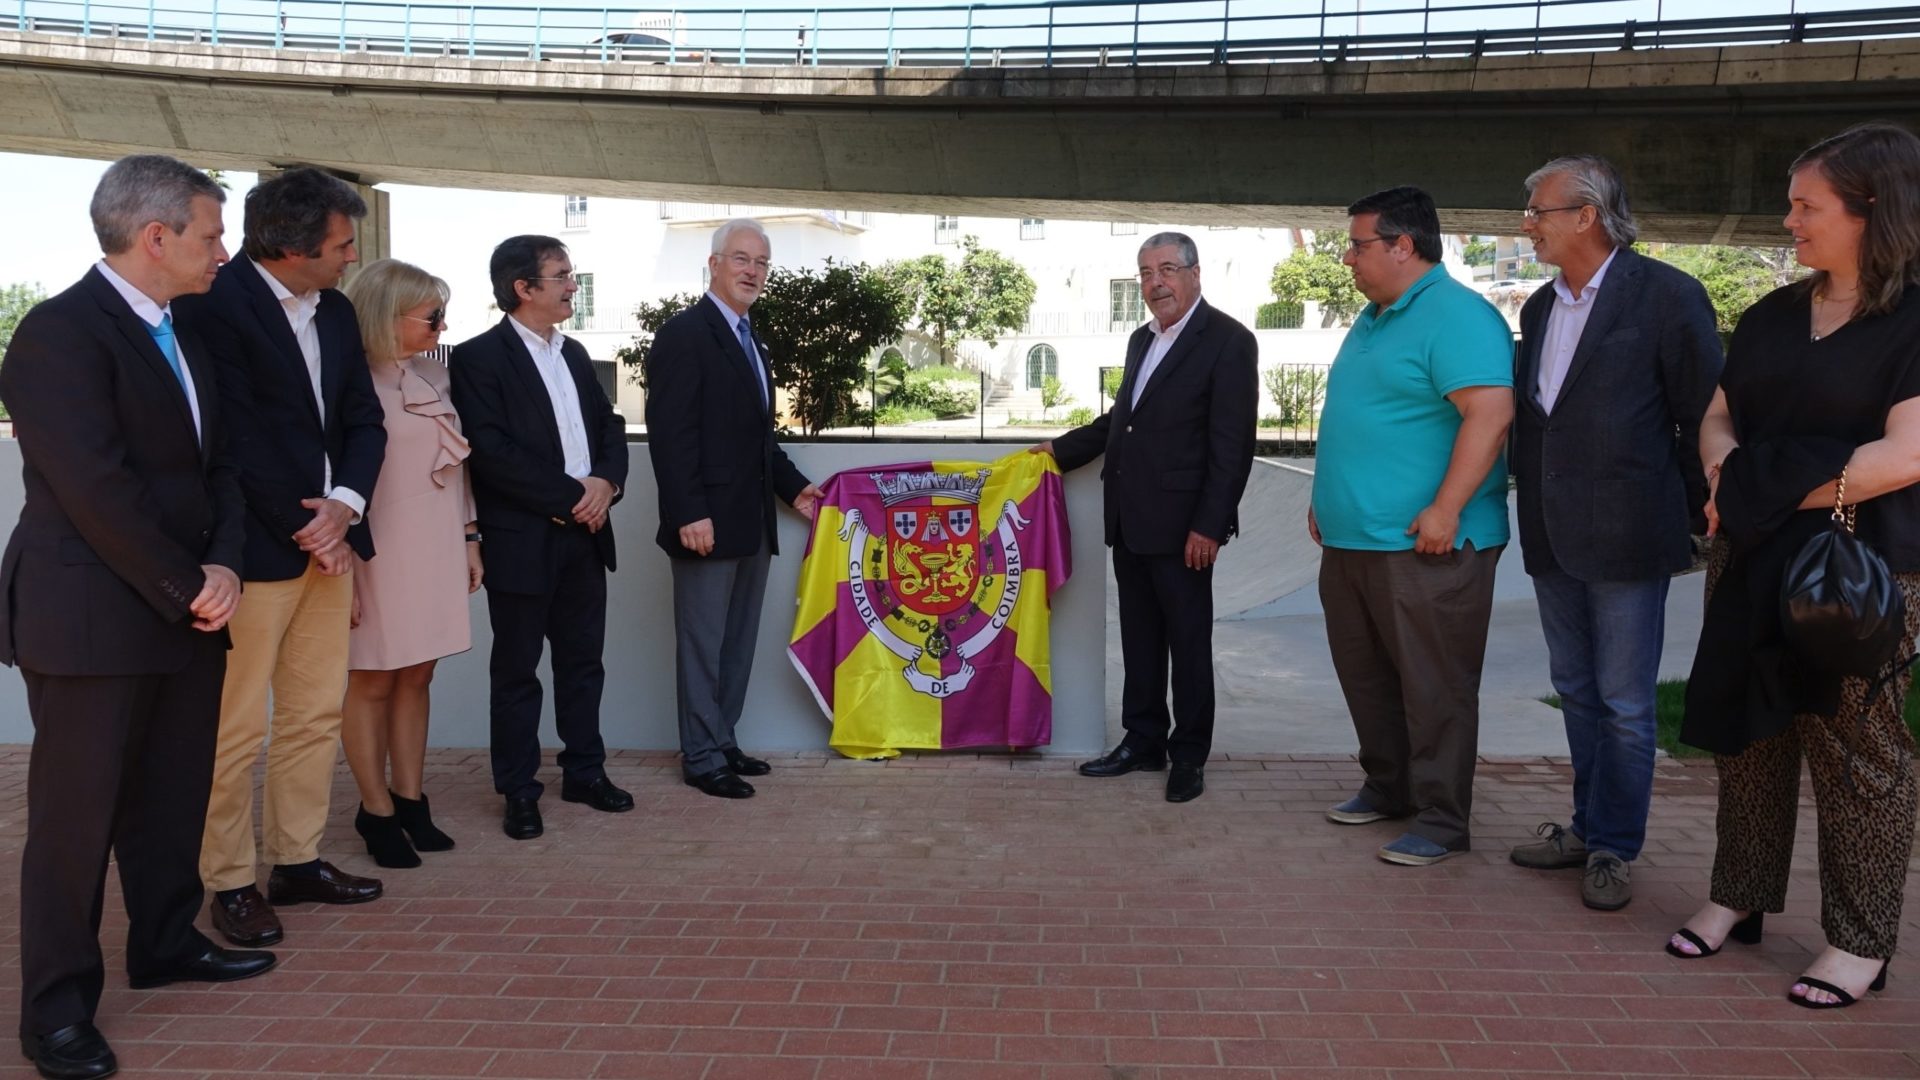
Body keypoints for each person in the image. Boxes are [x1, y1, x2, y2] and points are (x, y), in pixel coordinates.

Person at [3, 154, 275, 1080]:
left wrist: (227, 562)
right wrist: (188, 584)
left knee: (170, 801)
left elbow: (222, 467)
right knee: (76, 827)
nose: (223, 251)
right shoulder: (57, 334)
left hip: (184, 608)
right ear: (155, 236)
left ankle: (165, 944)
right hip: (91, 616)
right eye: (211, 234)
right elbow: (95, 492)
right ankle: (56, 1014)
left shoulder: (188, 329)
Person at [1671, 122, 1920, 1009]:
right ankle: (1738, 898)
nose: (1790, 221)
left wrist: (1761, 490)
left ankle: (1859, 942)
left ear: (1871, 211)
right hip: (1751, 556)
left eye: (1807, 205)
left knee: (1858, 754)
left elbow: (1903, 457)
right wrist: (1721, 474)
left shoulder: (1914, 321)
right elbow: (1719, 415)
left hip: (1859, 569)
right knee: (1750, 737)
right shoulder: (1775, 314)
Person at [176, 167, 388, 950]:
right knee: (233, 730)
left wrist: (347, 508)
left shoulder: (335, 312)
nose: (350, 255)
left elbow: (364, 423)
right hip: (252, 552)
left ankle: (296, 861)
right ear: (293, 245)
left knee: (313, 714)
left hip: (327, 546)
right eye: (340, 242)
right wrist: (312, 523)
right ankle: (227, 881)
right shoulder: (213, 307)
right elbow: (226, 439)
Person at [1507, 156, 1723, 910]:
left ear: (1586, 216)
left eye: (1538, 211)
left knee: (1627, 702)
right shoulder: (1539, 308)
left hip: (1631, 531)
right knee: (1576, 690)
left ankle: (1612, 847)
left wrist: (1704, 517)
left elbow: (1705, 416)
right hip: (1552, 530)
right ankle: (1585, 823)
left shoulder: (1666, 296)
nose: (1526, 223)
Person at [1311, 186, 1515, 866]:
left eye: (1359, 244)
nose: (1347, 258)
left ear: (1404, 246)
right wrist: (1327, 497)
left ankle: (1441, 819)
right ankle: (1389, 785)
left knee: (1436, 686)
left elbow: (1489, 413)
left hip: (1428, 544)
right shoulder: (1375, 317)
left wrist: (1448, 507)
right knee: (1366, 677)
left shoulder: (1458, 316)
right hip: (1353, 540)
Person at [1041, 231, 1258, 804]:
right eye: (1144, 273)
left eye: (1166, 269)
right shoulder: (1143, 340)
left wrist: (1210, 525)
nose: (1154, 283)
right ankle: (1143, 741)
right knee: (1139, 641)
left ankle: (1188, 756)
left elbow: (1232, 445)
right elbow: (1122, 420)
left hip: (1186, 527)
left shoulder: (1229, 341)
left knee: (1187, 644)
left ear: (1194, 273)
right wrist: (1056, 454)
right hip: (1131, 521)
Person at [448, 235, 631, 839]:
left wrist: (605, 482)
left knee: (583, 665)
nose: (572, 286)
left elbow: (609, 425)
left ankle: (585, 772)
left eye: (570, 275)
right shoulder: (478, 359)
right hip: (524, 538)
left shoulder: (575, 353)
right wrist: (574, 497)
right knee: (518, 671)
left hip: (587, 534)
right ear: (522, 288)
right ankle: (519, 790)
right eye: (561, 276)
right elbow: (492, 454)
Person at [645, 218, 822, 799]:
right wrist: (688, 512)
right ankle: (699, 757)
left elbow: (758, 439)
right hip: (705, 523)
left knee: (736, 641)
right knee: (701, 642)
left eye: (762, 263)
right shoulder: (684, 334)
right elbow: (672, 435)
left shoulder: (752, 339)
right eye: (742, 259)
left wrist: (795, 490)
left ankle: (722, 739)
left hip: (751, 520)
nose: (752, 271)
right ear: (714, 263)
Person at [340, 259, 480, 868]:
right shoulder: (342, 380)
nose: (443, 326)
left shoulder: (438, 376)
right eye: (431, 315)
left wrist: (471, 538)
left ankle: (410, 798)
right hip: (374, 549)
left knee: (419, 674)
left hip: (439, 541)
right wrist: (340, 566)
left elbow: (460, 469)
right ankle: (375, 811)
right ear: (384, 315)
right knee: (371, 676)